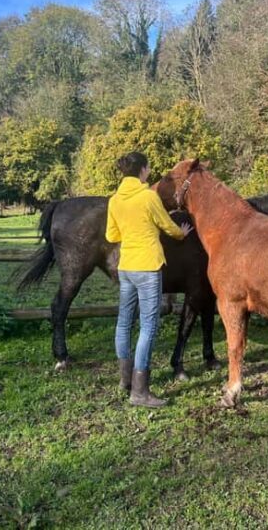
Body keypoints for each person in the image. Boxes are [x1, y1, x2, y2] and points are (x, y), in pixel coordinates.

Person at [106, 152, 192, 408]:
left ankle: (125, 380)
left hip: (126, 268)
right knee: (148, 326)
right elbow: (168, 226)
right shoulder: (148, 197)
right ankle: (140, 392)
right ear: (142, 170)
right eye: (149, 168)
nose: (149, 172)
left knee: (123, 323)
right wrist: (181, 233)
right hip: (148, 267)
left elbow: (112, 236)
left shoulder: (114, 200)